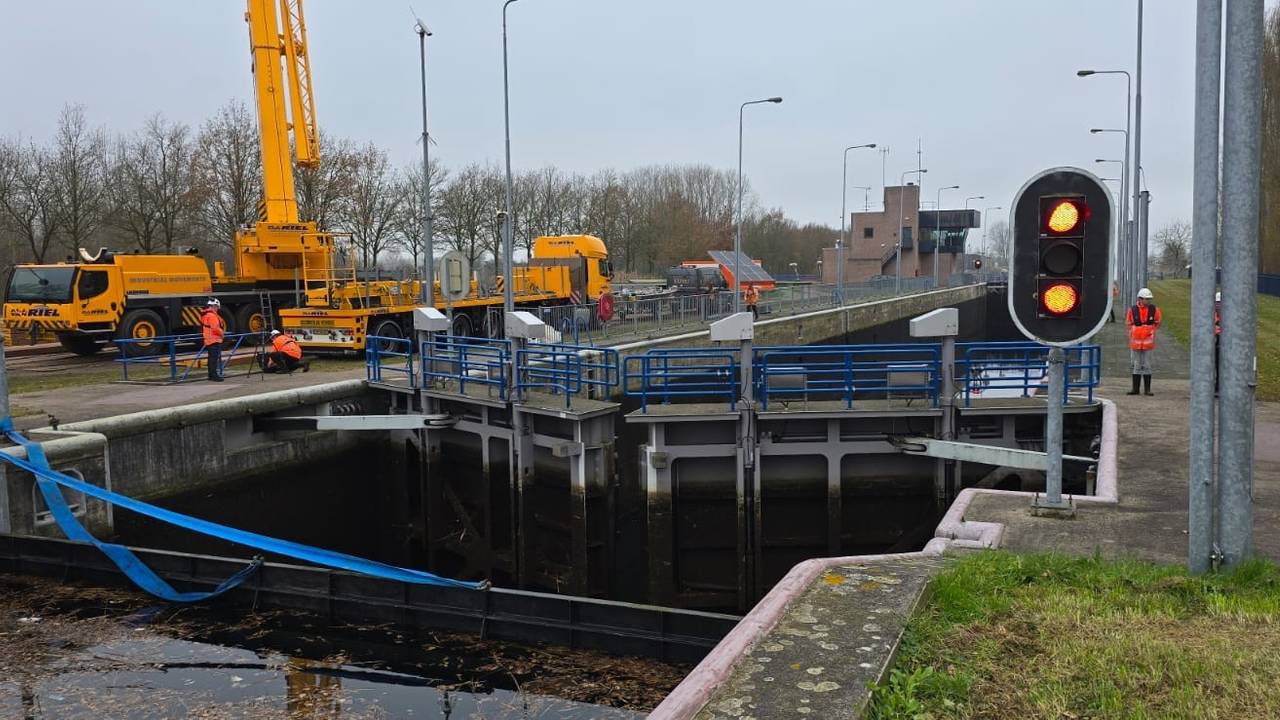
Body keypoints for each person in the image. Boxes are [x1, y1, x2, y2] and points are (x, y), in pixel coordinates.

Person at [1125, 287, 1161, 396]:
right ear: (1140, 299)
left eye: (1149, 299)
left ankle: (1147, 389)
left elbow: (1158, 321)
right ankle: (1135, 389)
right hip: (1135, 343)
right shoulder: (1132, 310)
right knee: (1135, 364)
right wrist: (1135, 331)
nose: (1149, 301)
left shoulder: (1154, 309)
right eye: (1147, 299)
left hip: (1148, 343)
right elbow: (1128, 322)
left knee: (1147, 365)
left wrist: (1149, 330)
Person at [201, 298, 225, 382]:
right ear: (213, 306)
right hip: (214, 339)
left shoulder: (206, 314)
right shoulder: (212, 315)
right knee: (213, 359)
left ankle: (211, 374)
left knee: (211, 358)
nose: (218, 309)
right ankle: (213, 375)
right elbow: (215, 328)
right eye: (217, 307)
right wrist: (222, 333)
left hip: (210, 339)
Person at [1214, 290, 1222, 395]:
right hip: (1214, 341)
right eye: (1217, 303)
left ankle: (1219, 386)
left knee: (1221, 366)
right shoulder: (1212, 314)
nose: (1219, 306)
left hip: (1224, 342)